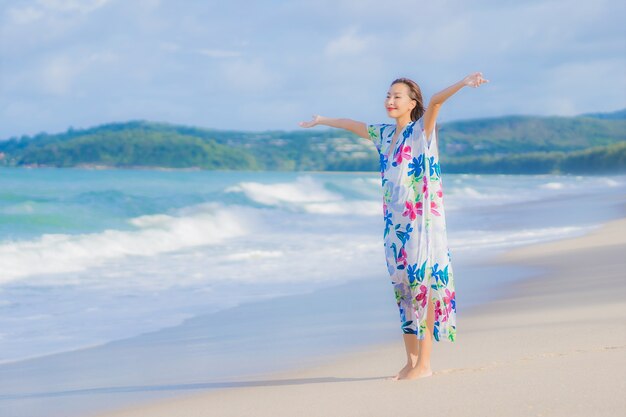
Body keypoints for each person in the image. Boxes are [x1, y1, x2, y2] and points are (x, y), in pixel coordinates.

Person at [298, 72, 489, 380]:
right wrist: (322, 119)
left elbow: (437, 100)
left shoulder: (421, 130)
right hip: (394, 225)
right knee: (403, 291)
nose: (389, 101)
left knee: (421, 288)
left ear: (413, 103)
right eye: (388, 95)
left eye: (397, 96)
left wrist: (464, 83)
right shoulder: (384, 134)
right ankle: (410, 361)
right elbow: (351, 123)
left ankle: (424, 364)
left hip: (421, 225)